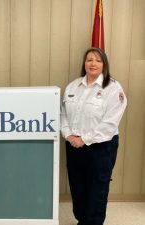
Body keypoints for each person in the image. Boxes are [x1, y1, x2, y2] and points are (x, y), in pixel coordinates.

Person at [61, 47, 127, 225]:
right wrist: (68, 135)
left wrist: (85, 139)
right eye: (89, 59)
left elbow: (110, 123)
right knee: (78, 186)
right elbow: (63, 114)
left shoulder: (113, 88)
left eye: (97, 60)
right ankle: (82, 221)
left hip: (101, 147)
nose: (93, 63)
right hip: (74, 145)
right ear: (84, 63)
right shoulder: (73, 86)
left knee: (97, 189)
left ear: (104, 64)